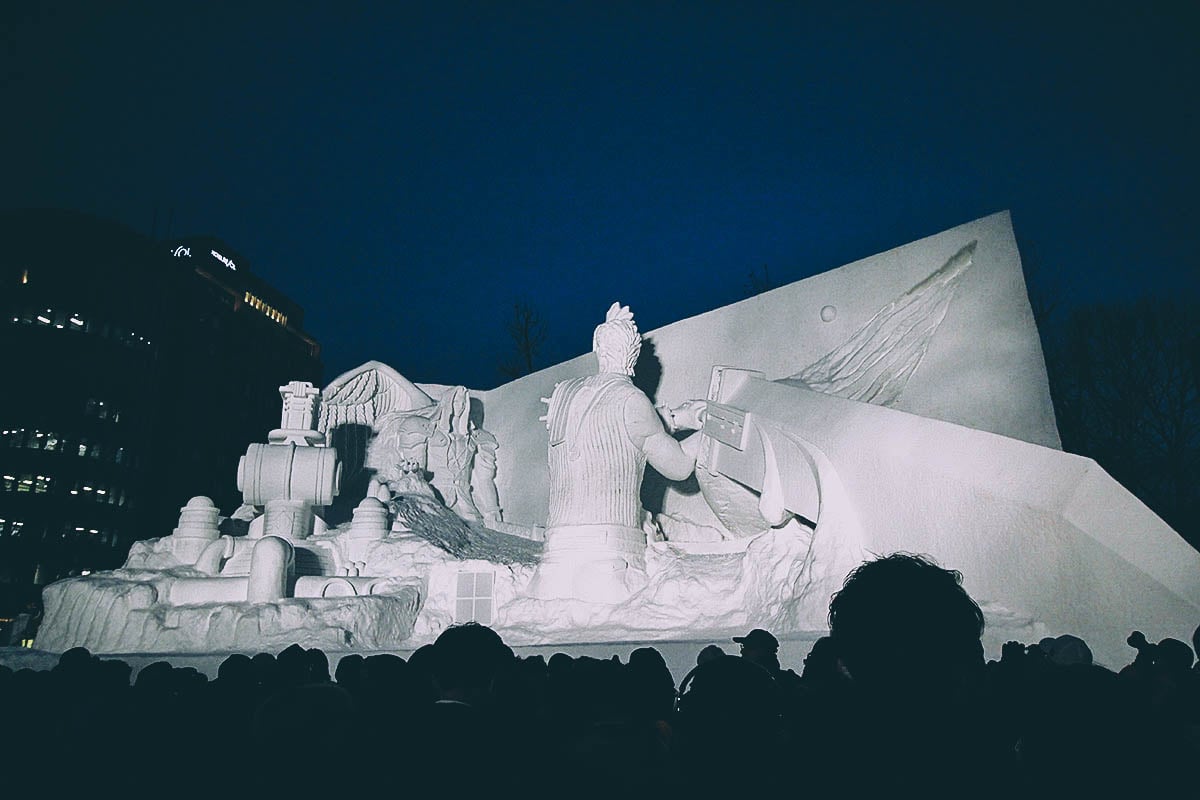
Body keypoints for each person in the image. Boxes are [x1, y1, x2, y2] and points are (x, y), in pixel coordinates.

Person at [531, 303, 706, 600]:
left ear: (596, 346)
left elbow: (610, 421)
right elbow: (678, 467)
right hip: (611, 549)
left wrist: (674, 418)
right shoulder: (631, 399)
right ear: (634, 356)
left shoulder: (562, 393)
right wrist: (706, 435)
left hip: (556, 548)